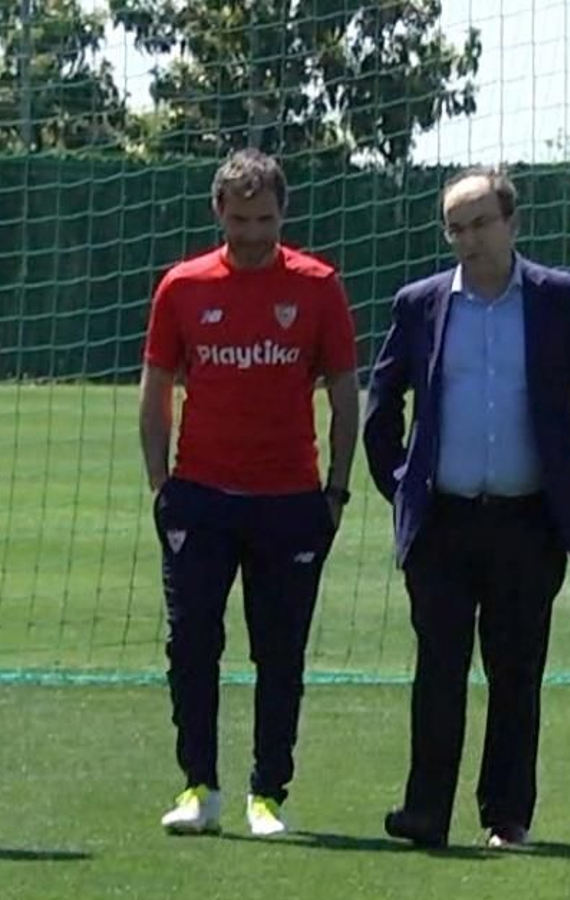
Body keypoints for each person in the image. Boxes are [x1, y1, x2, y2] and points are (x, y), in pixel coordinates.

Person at [363, 167, 570, 849]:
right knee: (438, 673)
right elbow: (382, 402)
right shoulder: (419, 304)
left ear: (512, 223)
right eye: (457, 226)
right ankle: (425, 813)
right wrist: (401, 484)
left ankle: (506, 817)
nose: (470, 238)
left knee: (516, 674)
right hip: (442, 523)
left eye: (482, 222)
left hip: (527, 521)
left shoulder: (562, 300)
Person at [138, 148, 360, 837]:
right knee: (191, 643)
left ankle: (268, 794)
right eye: (240, 220)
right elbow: (154, 396)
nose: (253, 234)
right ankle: (198, 787)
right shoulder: (181, 287)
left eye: (264, 219)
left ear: (282, 213)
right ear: (219, 214)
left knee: (280, 652)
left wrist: (336, 492)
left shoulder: (319, 286)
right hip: (200, 498)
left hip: (291, 500)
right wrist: (161, 488)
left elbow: (349, 397)